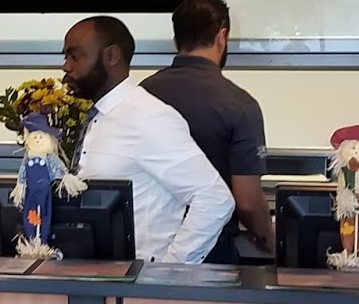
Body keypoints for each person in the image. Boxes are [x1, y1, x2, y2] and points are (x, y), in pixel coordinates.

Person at [61, 15, 234, 265]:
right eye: (65, 57)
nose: (66, 67)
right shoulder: (97, 116)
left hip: (139, 282)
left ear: (111, 56)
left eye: (75, 56)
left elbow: (215, 199)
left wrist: (170, 270)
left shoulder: (148, 117)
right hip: (98, 275)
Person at [141, 0, 271, 263]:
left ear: (176, 40)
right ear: (222, 36)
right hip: (211, 250)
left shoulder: (142, 95)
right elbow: (247, 201)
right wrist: (267, 236)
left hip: (148, 248)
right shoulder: (240, 104)